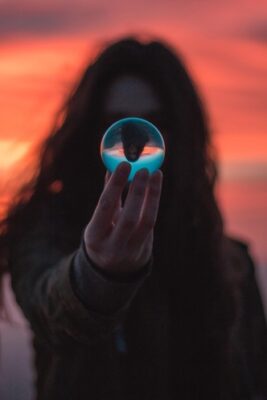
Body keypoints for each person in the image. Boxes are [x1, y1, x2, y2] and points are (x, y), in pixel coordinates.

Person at [0, 36, 266, 400]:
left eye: (154, 122)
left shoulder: (232, 265)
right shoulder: (47, 230)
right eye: (117, 124)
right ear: (90, 130)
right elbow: (51, 305)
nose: (135, 143)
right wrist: (97, 273)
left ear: (182, 133)